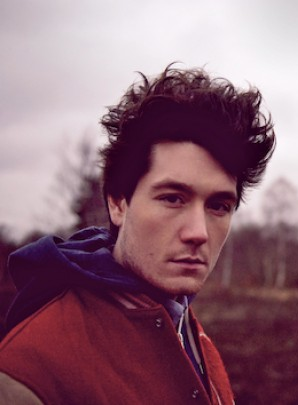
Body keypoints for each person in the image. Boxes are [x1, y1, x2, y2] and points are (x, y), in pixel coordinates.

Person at [0, 64, 276, 404]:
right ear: (118, 203)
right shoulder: (30, 372)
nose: (198, 233)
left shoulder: (184, 325)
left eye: (218, 206)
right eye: (172, 198)